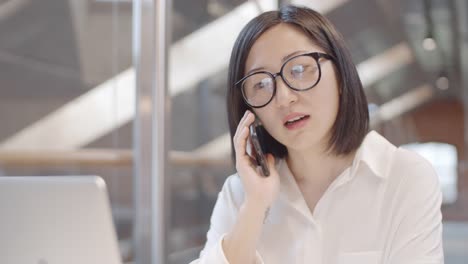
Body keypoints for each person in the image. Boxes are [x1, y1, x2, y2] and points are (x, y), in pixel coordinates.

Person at [190, 5, 443, 264]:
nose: (284, 98)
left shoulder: (404, 177)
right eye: (261, 84)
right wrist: (255, 206)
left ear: (342, 78)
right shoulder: (240, 193)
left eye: (299, 70)